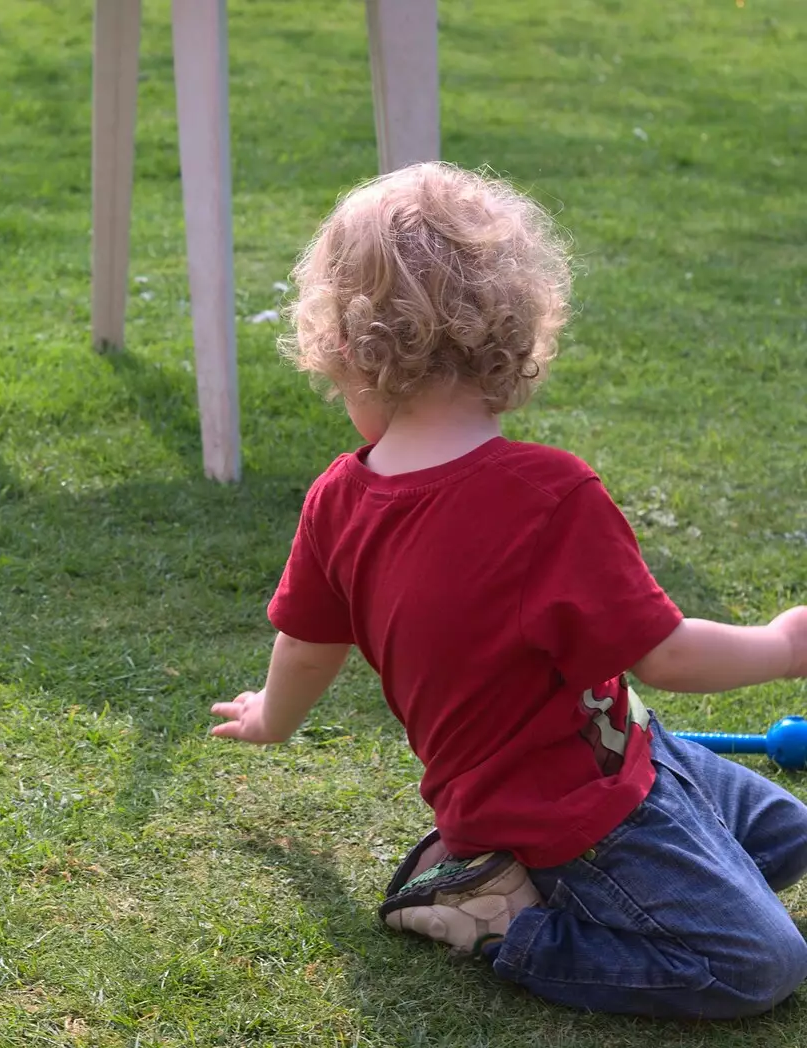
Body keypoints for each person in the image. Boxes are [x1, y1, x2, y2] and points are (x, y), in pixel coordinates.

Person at [209, 160, 807, 1019]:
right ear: (513, 333)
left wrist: (272, 717)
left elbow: (306, 646)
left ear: (346, 349)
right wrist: (784, 645)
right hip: (563, 814)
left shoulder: (342, 494)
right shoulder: (547, 494)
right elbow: (666, 653)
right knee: (759, 963)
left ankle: (540, 877)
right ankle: (494, 919)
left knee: (786, 843)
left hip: (625, 746)